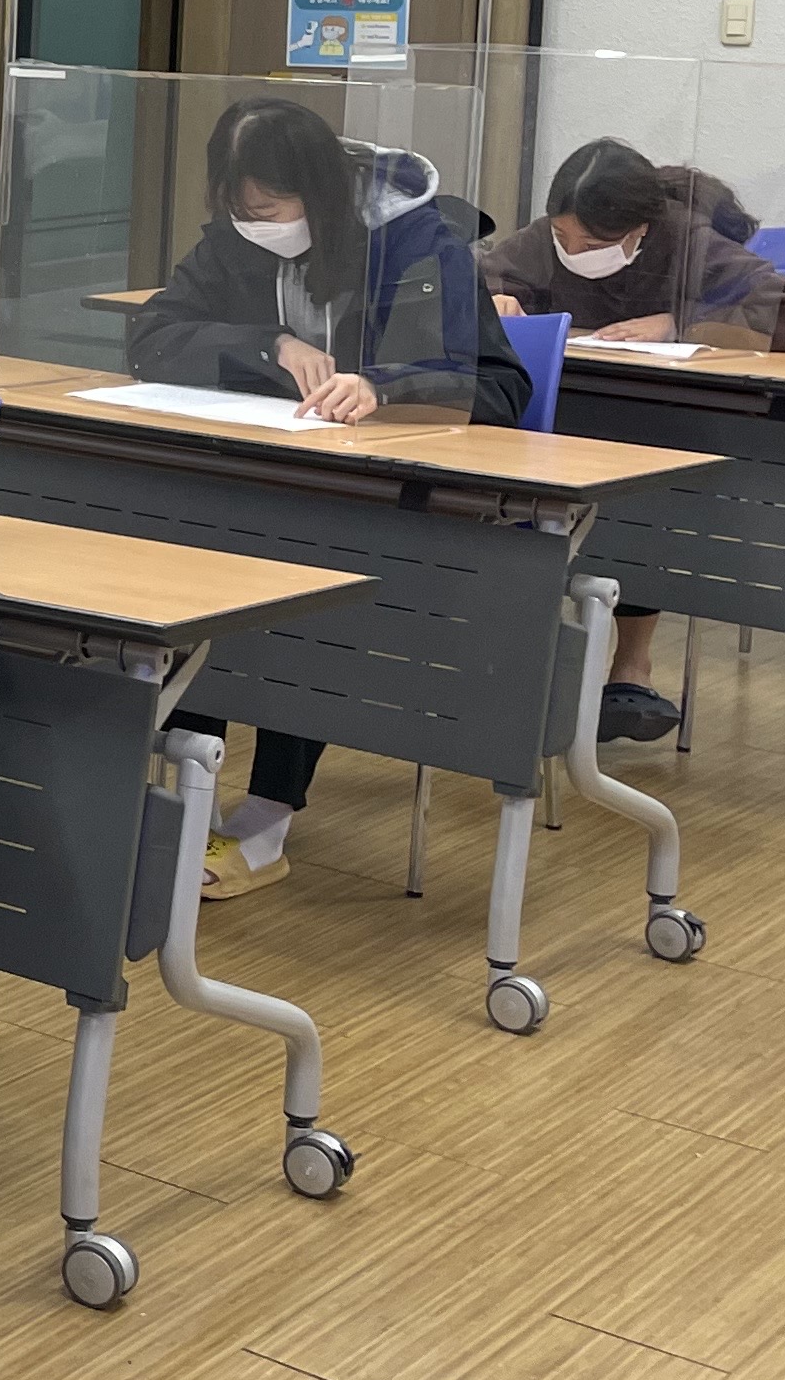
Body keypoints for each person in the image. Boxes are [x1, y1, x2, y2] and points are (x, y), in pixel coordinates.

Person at [132, 98, 524, 897]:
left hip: (390, 506)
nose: (255, 226)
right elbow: (152, 339)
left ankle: (266, 815)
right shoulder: (238, 236)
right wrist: (269, 346)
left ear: (321, 195)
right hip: (266, 481)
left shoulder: (421, 243)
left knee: (305, 585)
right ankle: (189, 797)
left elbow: (498, 389)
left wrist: (384, 388)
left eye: (271, 210)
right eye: (241, 209)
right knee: (186, 568)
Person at [478, 140, 785, 741]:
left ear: (639, 230)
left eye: (594, 244)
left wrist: (678, 324)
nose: (573, 251)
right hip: (573, 414)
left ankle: (630, 664)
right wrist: (494, 303)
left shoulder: (686, 241)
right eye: (563, 236)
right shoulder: (544, 240)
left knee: (643, 509)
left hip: (667, 422)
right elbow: (475, 280)